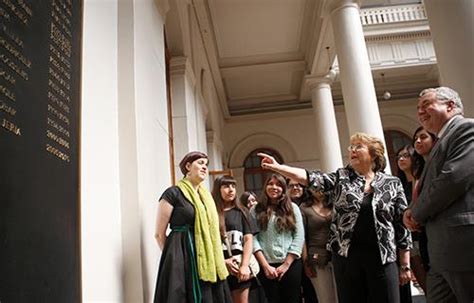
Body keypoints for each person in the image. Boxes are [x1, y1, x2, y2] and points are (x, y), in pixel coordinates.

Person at [258, 132, 412, 303]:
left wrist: (405, 265)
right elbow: (310, 178)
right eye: (351, 147)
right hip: (347, 259)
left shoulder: (392, 183)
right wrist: (277, 167)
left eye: (358, 146)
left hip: (383, 259)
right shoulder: (342, 178)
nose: (352, 150)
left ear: (374, 153)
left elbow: (401, 225)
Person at [403, 87, 474, 303]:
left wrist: (416, 213)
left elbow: (451, 180)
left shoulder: (466, 129)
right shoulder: (440, 142)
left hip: (462, 246)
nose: (420, 112)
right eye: (418, 109)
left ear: (450, 106)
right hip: (440, 251)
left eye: (426, 105)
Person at [154, 151, 232, 303]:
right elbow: (159, 233)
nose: (204, 167)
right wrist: (176, 257)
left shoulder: (206, 197)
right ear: (188, 166)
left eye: (206, 165)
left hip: (207, 255)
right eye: (200, 163)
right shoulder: (173, 193)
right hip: (182, 253)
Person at [250, 173, 305, 303]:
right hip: (266, 265)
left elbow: (299, 236)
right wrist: (265, 265)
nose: (274, 187)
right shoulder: (255, 209)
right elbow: (252, 238)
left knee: (293, 299)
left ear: (284, 189)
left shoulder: (293, 208)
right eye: (270, 184)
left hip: (291, 264)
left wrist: (286, 264)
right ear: (265, 187)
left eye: (278, 185)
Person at [212, 175, 256, 303]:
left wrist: (244, 265)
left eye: (233, 186)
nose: (231, 190)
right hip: (219, 266)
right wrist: (223, 261)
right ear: (218, 189)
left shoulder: (242, 211)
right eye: (226, 186)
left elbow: (248, 239)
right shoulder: (211, 213)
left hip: (238, 266)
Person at [300, 187, 338, 303]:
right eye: (315, 187)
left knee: (342, 295)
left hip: (338, 255)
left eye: (322, 186)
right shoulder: (304, 207)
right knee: (325, 298)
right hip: (317, 258)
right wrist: (306, 262)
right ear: (309, 189)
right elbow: (302, 237)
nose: (319, 190)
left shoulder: (335, 203)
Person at [287, 178, 318, 303]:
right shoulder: (284, 207)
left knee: (312, 291)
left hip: (312, 252)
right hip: (292, 255)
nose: (296, 188)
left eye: (299, 185)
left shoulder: (310, 204)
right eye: (292, 185)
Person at [395, 145, 418, 302]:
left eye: (405, 156)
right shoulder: (398, 185)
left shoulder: (421, 181)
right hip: (408, 242)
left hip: (425, 236)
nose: (401, 159)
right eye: (398, 157)